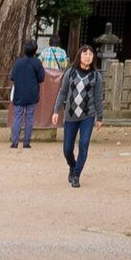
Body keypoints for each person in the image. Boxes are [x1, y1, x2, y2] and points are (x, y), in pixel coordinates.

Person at [57, 42, 107, 188]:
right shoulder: (70, 73)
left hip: (88, 115)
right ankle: (72, 166)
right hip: (71, 115)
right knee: (67, 149)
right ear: (79, 56)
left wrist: (100, 117)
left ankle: (76, 176)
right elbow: (63, 92)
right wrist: (56, 110)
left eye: (90, 54)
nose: (87, 56)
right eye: (85, 54)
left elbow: (98, 98)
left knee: (84, 144)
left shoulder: (96, 76)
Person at [6, 43, 45, 149]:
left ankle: (14, 142)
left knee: (17, 116)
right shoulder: (37, 63)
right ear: (35, 51)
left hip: (19, 92)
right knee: (29, 117)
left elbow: (13, 76)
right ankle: (26, 142)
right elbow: (41, 78)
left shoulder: (18, 62)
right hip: (32, 92)